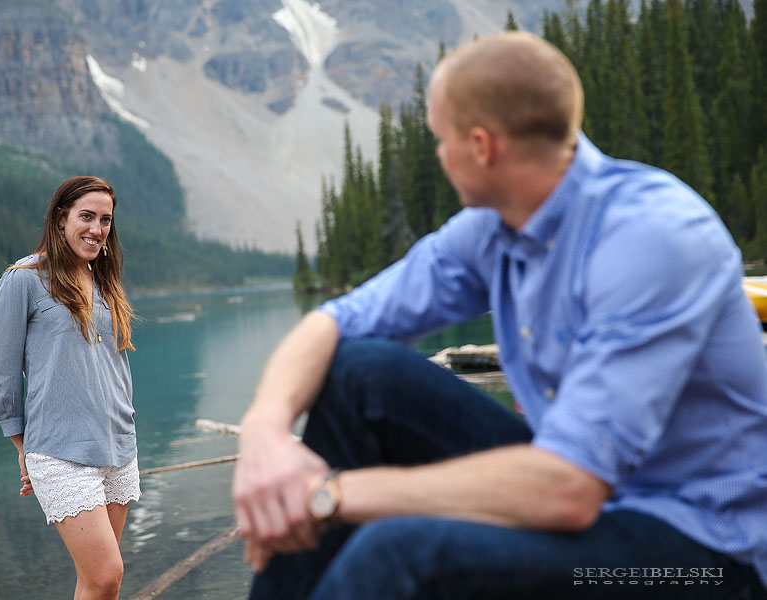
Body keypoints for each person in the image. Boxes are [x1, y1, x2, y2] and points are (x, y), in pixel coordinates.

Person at [231, 32, 767, 599]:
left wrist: (326, 496)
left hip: (707, 555)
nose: (438, 156)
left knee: (400, 552)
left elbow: (568, 489)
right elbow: (335, 321)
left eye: (440, 139)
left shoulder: (650, 240)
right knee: (360, 374)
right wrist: (266, 439)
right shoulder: (497, 225)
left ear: (482, 147)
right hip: (595, 496)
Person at [0, 176, 138, 600]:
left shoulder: (102, 280)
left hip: (117, 447)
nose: (96, 228)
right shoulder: (24, 279)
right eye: (86, 216)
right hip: (60, 452)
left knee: (95, 582)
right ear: (60, 217)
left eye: (105, 219)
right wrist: (21, 446)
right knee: (107, 574)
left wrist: (127, 420)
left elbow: (114, 364)